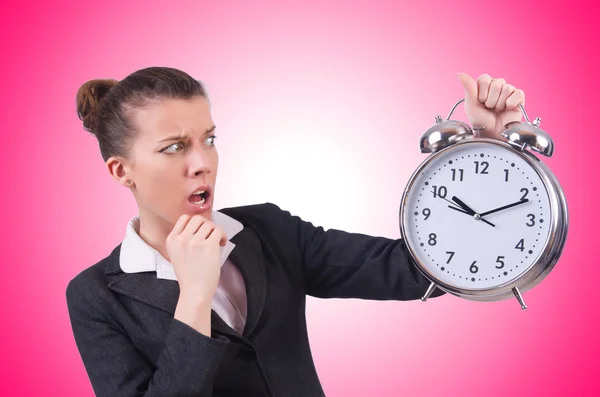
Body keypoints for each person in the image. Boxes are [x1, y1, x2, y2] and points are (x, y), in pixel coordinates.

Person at [66, 66, 525, 397]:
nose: (202, 163)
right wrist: (193, 299)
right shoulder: (96, 296)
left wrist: (484, 150)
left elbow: (413, 268)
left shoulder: (268, 231)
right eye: (173, 147)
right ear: (121, 170)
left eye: (209, 139)